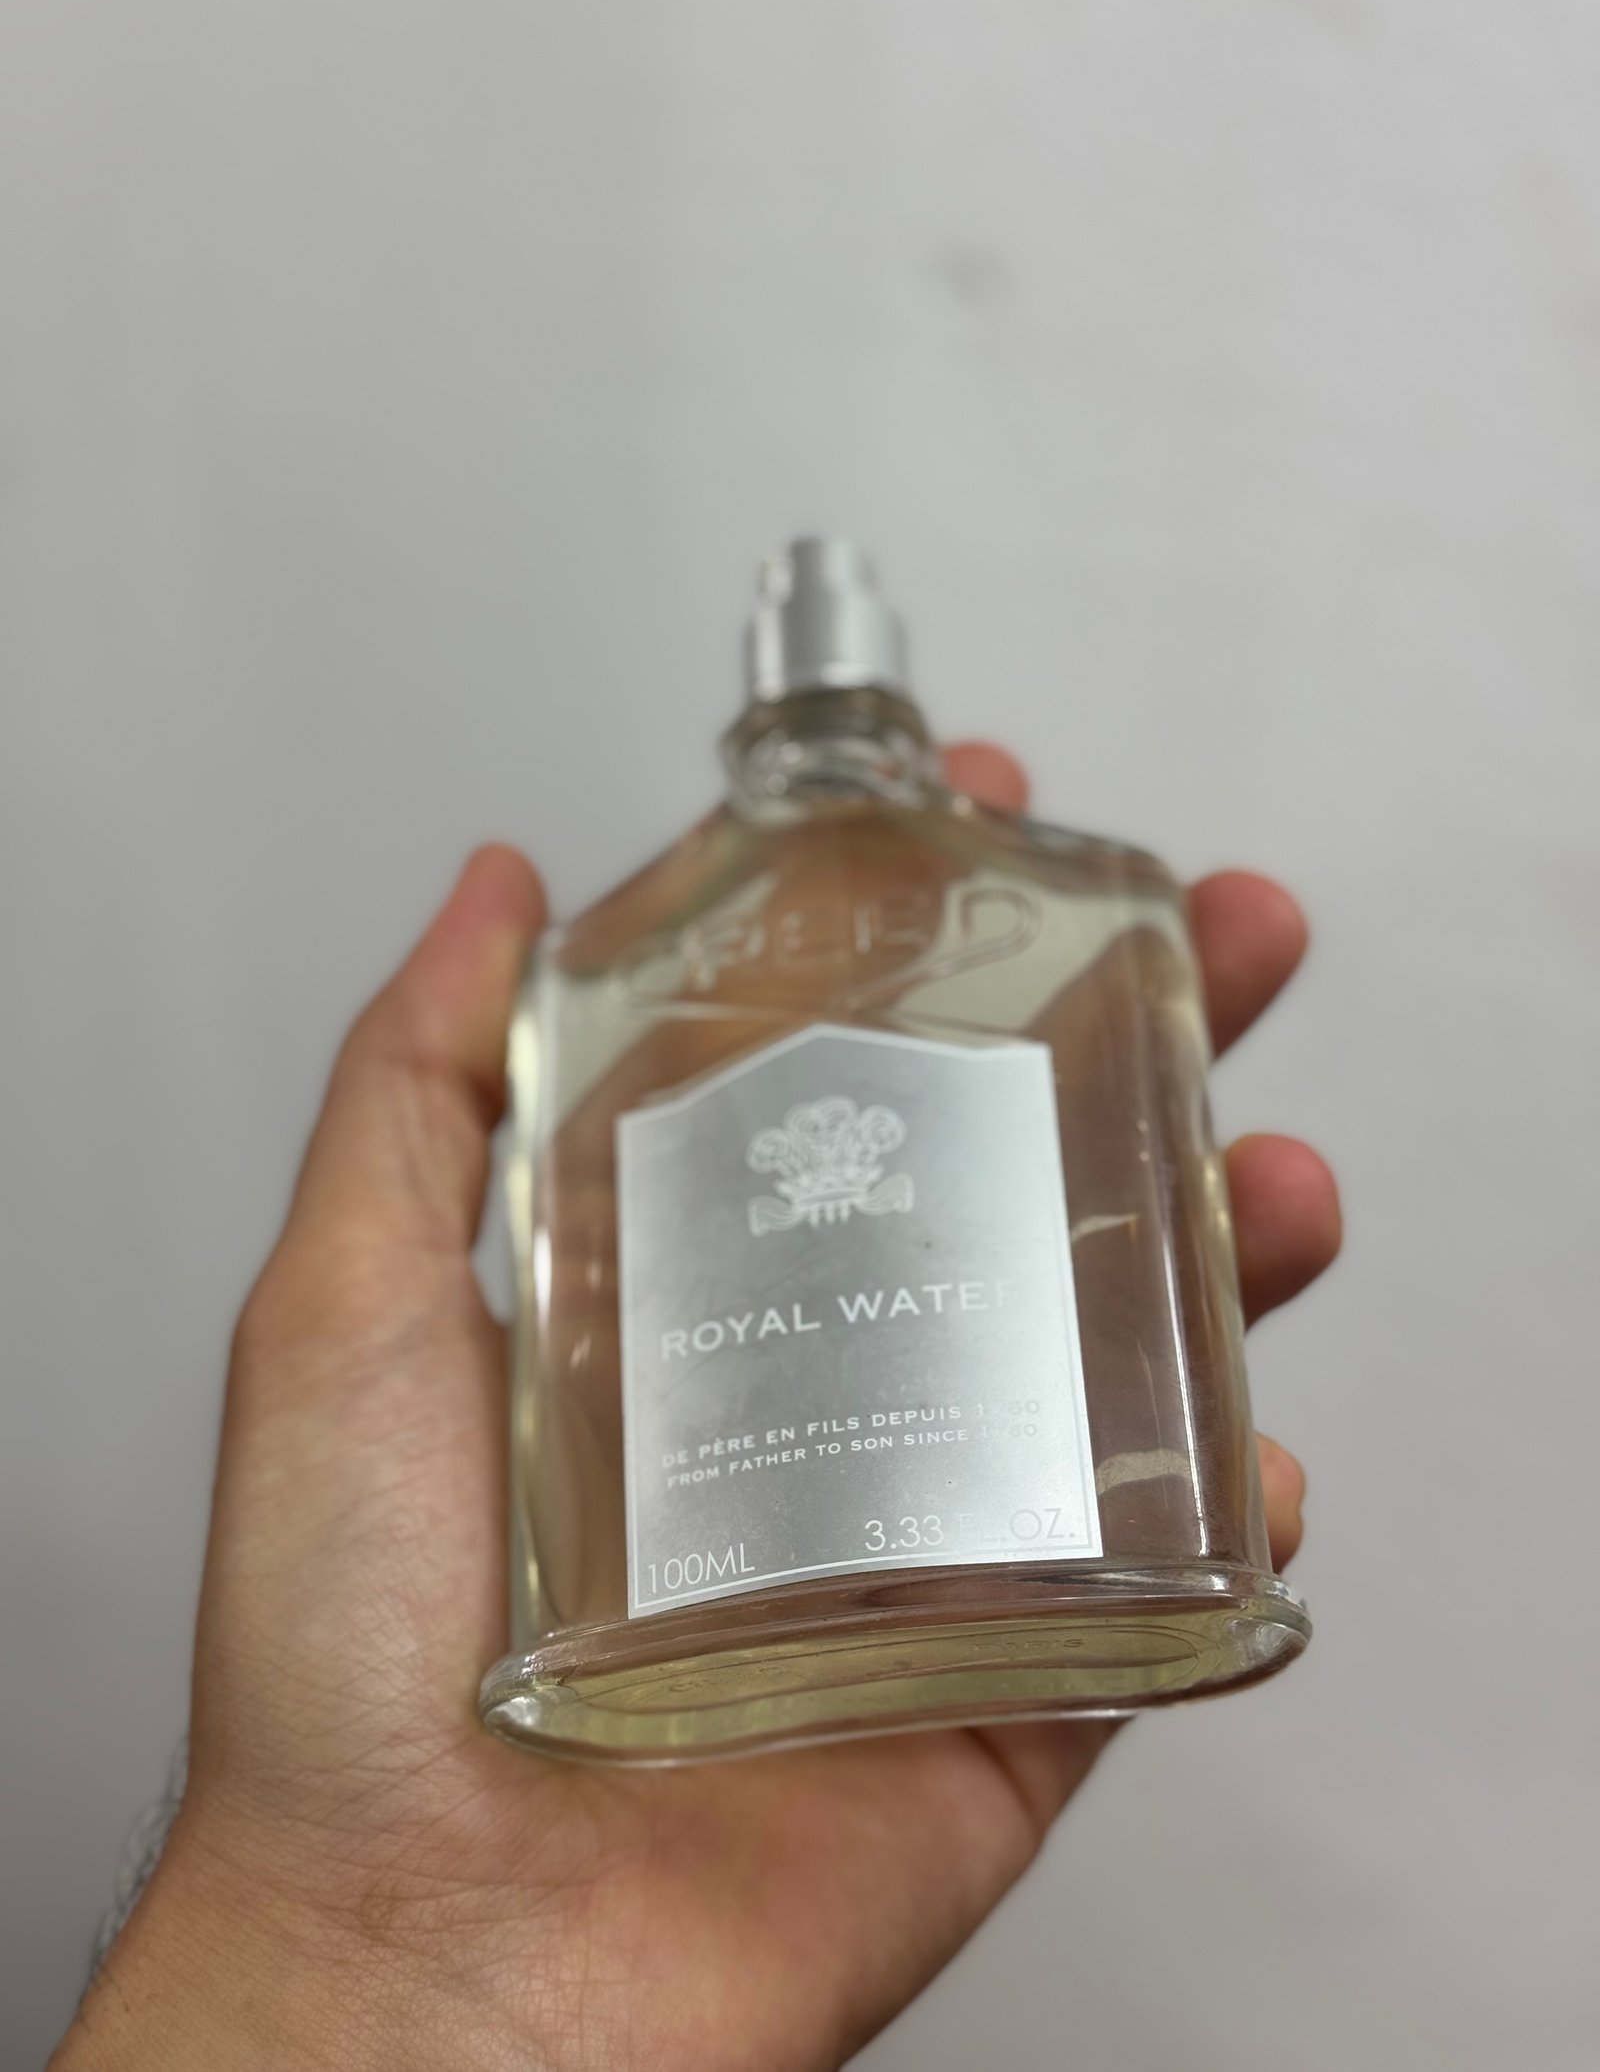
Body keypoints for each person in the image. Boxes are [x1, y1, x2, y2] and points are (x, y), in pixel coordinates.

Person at [49, 743, 1340, 2072]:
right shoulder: (604, 967)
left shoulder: (639, 960)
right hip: (653, 1708)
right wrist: (382, 1941)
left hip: (1034, 1604)